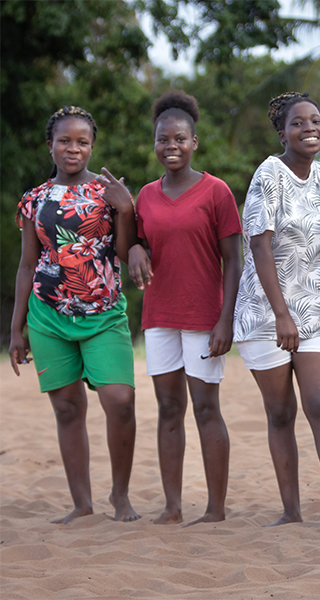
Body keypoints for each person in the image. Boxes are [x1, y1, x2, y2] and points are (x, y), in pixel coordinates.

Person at [232, 92, 320, 535]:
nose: (310, 128)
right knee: (281, 412)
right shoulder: (268, 174)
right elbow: (258, 243)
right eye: (299, 123)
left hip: (316, 310)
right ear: (282, 132)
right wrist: (281, 315)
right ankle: (291, 510)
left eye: (317, 121)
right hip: (266, 314)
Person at [8, 106, 140, 524]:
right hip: (47, 315)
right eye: (65, 140)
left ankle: (120, 496)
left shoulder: (109, 193)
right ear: (50, 146)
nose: (73, 148)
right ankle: (82, 504)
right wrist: (16, 328)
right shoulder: (34, 199)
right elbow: (28, 265)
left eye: (82, 141)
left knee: (120, 401)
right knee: (67, 409)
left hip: (103, 312)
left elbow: (123, 253)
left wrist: (128, 209)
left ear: (92, 146)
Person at [127, 91, 242, 525]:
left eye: (179, 138)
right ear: (154, 144)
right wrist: (136, 244)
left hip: (202, 317)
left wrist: (224, 319)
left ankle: (215, 509)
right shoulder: (146, 195)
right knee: (168, 409)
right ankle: (173, 507)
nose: (170, 146)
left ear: (194, 142)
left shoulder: (216, 192)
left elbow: (234, 259)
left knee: (206, 408)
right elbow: (135, 243)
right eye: (162, 139)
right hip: (158, 317)